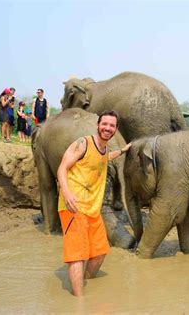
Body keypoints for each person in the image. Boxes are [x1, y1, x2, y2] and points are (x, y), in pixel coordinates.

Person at [57, 110, 131, 297]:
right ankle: (79, 302)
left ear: (115, 129)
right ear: (98, 125)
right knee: (77, 256)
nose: (107, 128)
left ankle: (85, 282)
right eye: (104, 124)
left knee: (99, 253)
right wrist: (66, 193)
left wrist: (122, 151)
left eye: (111, 125)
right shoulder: (83, 143)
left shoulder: (104, 149)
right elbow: (62, 168)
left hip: (92, 208)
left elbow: (104, 158)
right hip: (74, 206)